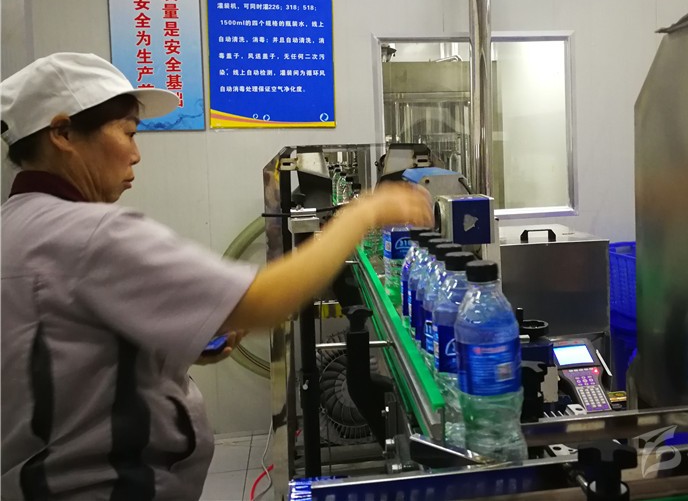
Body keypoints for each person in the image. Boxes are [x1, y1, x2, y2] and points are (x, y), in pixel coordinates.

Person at [0, 52, 434, 500]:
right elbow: (266, 300)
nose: (136, 154)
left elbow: (66, 359)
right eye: (128, 133)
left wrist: (175, 348)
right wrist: (365, 213)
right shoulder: (89, 234)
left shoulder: (15, 228)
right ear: (62, 133)